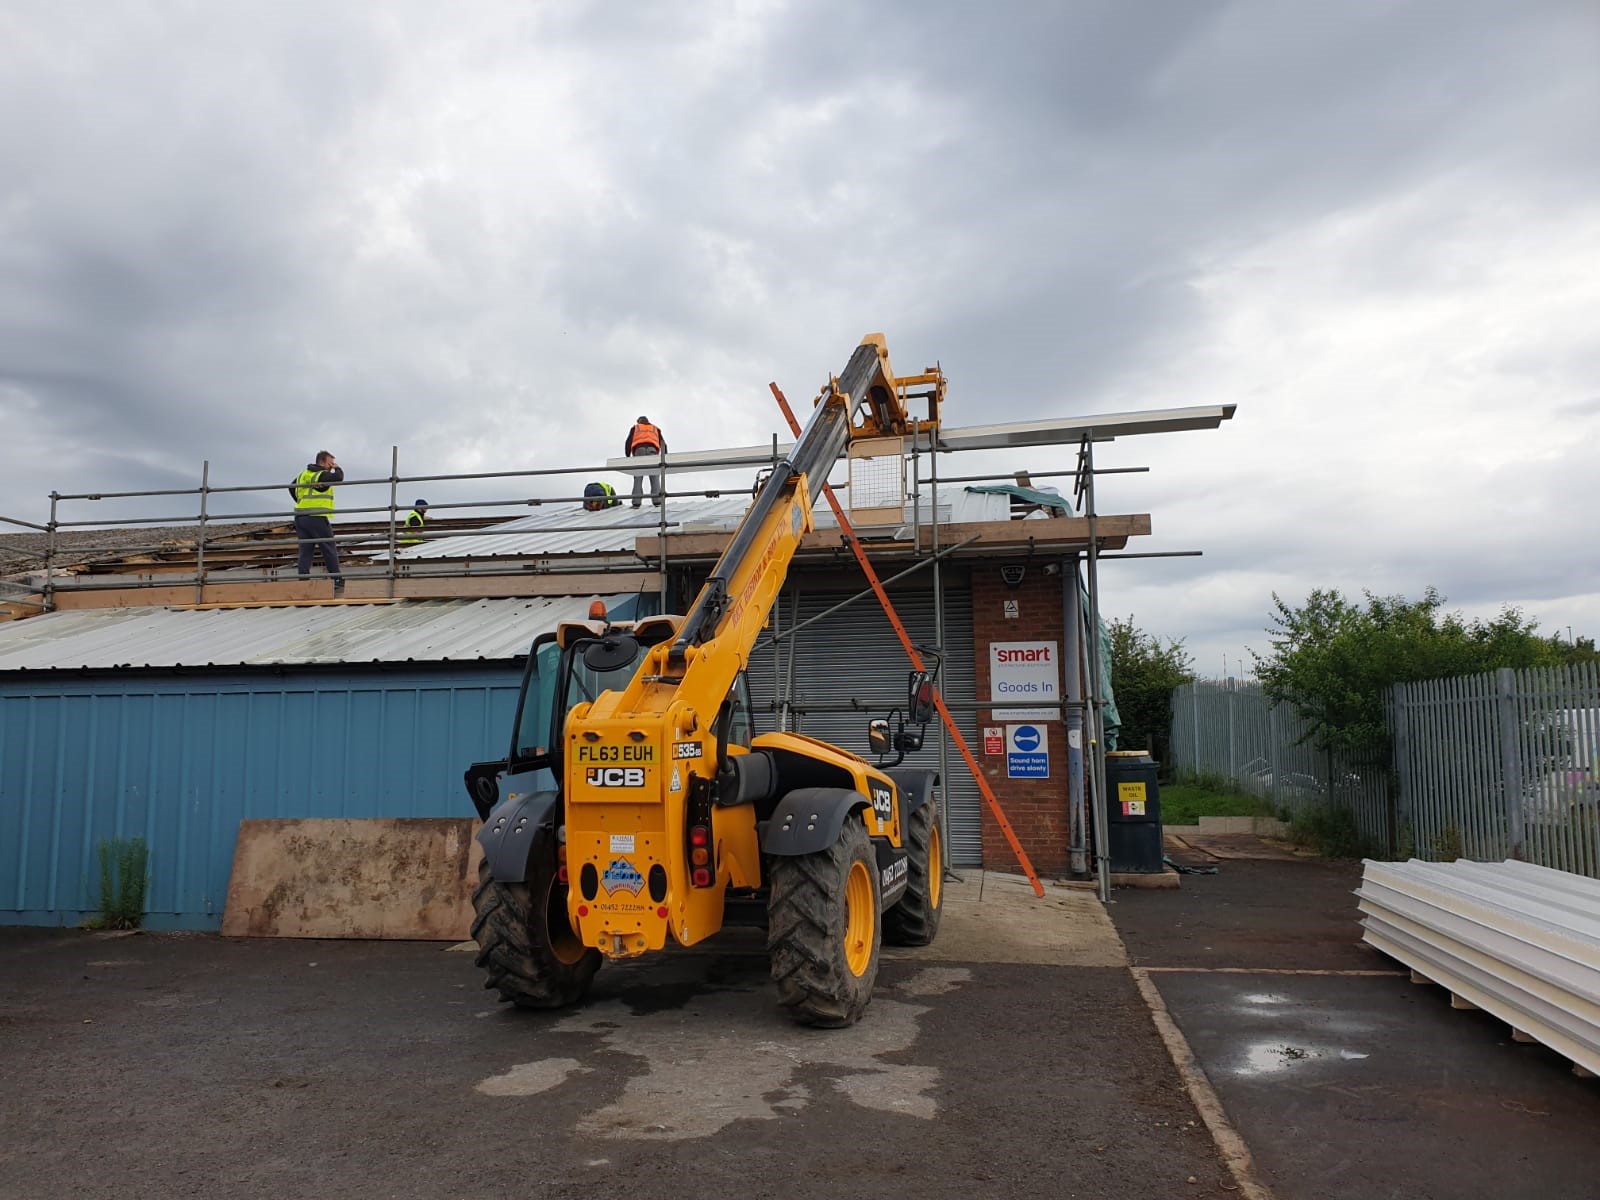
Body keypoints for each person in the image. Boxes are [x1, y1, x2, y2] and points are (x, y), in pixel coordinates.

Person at [287, 450, 345, 593]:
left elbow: (291, 487)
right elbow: (338, 477)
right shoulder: (321, 475)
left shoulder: (303, 475)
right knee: (328, 547)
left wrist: (300, 502)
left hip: (300, 516)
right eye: (330, 463)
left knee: (306, 550)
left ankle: (303, 580)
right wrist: (337, 468)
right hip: (316, 517)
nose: (331, 466)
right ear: (323, 462)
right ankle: (337, 580)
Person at [624, 415, 665, 507]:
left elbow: (629, 441)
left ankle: (636, 502)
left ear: (639, 421)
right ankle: (657, 501)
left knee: (638, 476)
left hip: (639, 450)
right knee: (654, 476)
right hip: (652, 450)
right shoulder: (655, 429)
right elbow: (663, 443)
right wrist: (664, 457)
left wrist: (627, 455)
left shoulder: (636, 427)